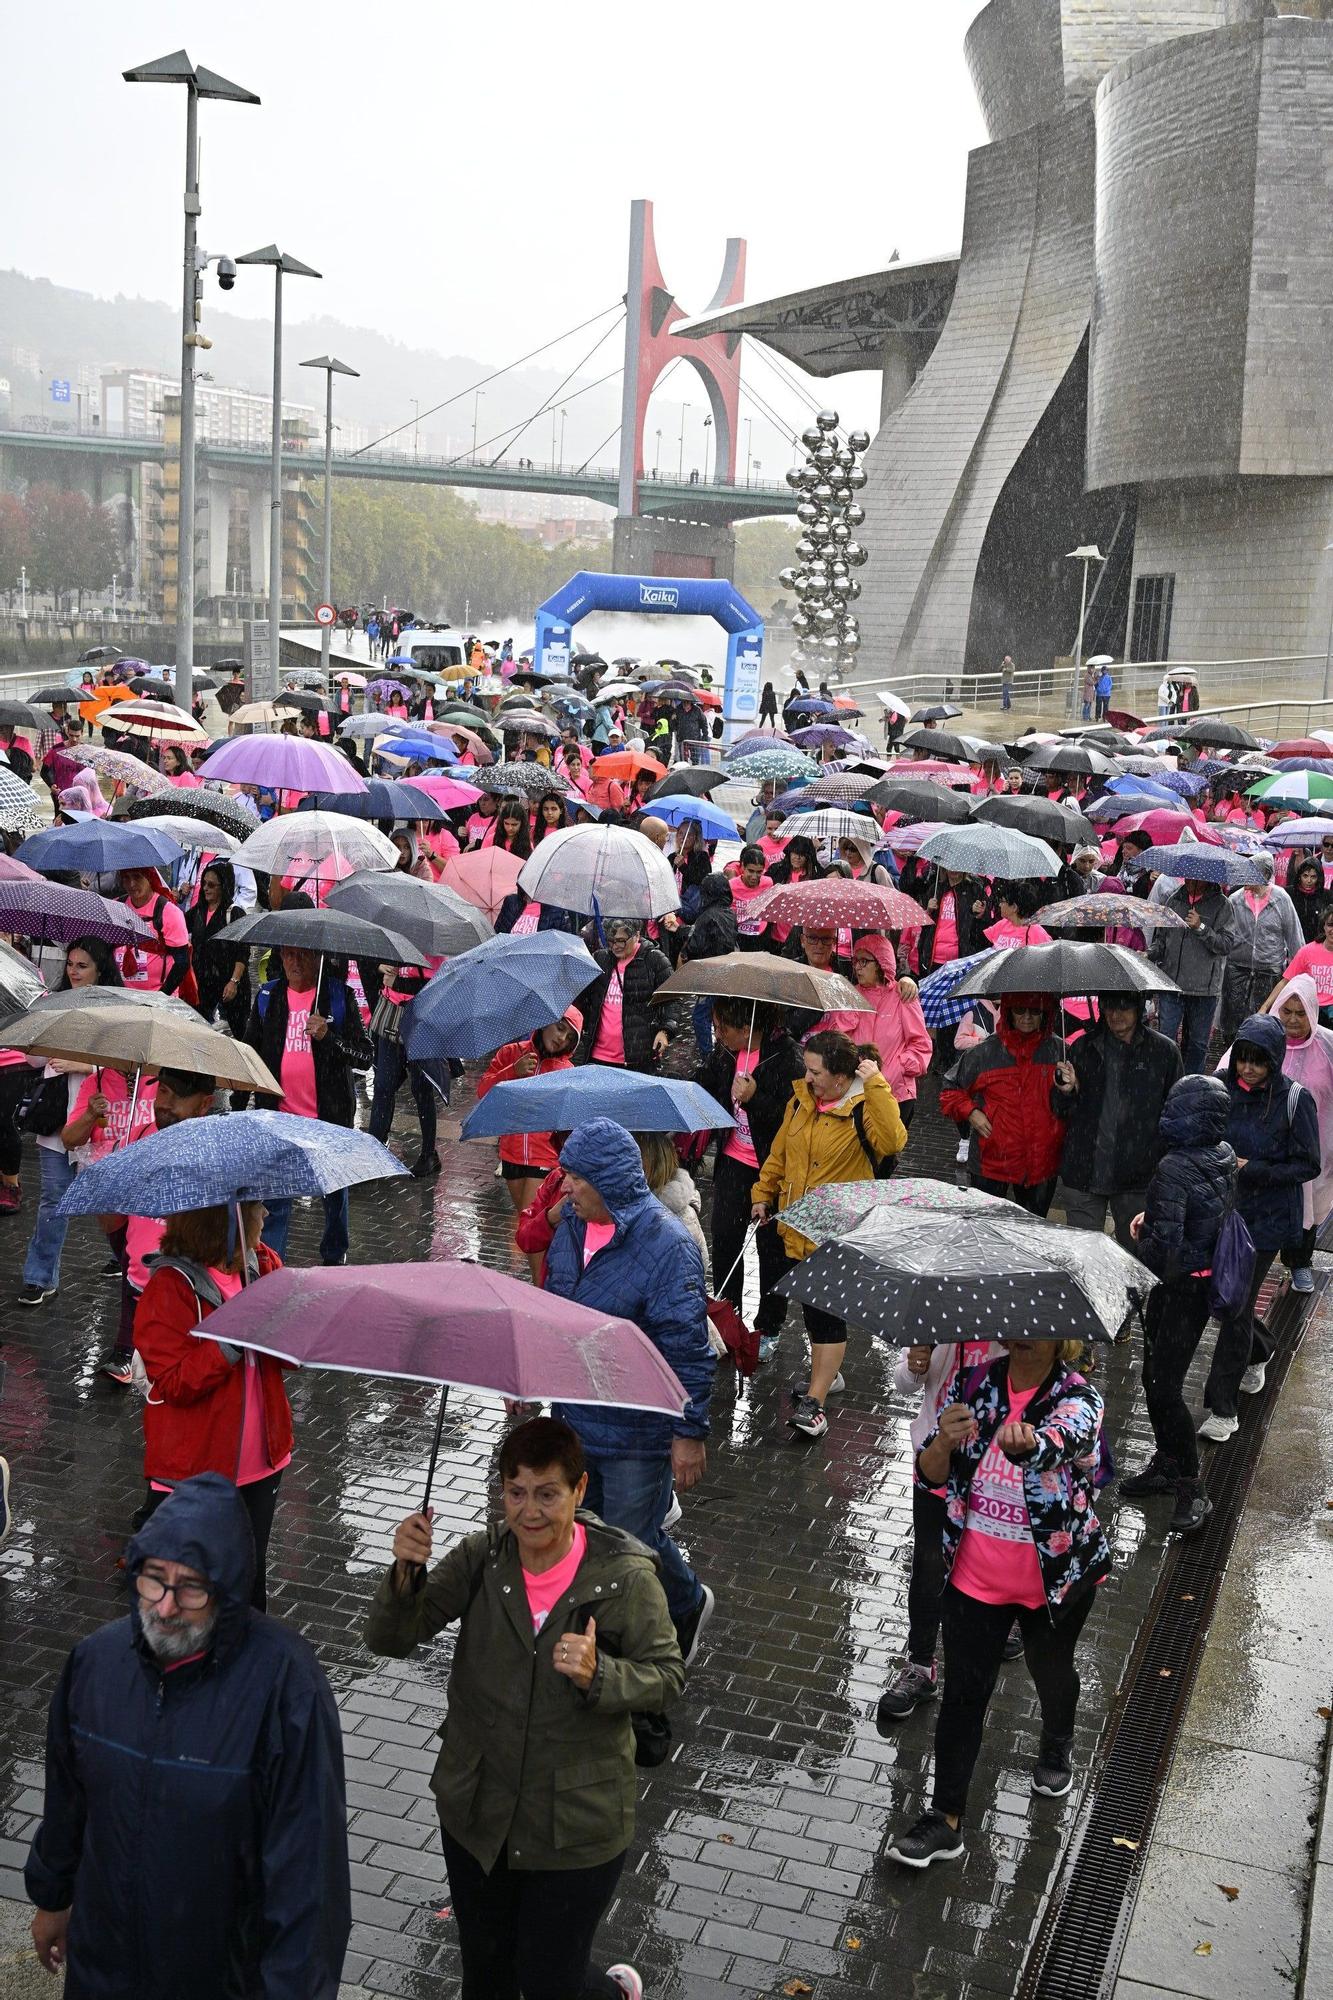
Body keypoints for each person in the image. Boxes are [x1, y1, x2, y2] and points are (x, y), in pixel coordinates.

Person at [365, 1418, 679, 2000]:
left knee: (549, 1980)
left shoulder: (626, 1578)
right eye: (516, 1493)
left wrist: (600, 1674)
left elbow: (667, 1678)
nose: (529, 1512)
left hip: (576, 1823)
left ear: (580, 1489)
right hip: (478, 1809)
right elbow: (391, 1638)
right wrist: (406, 1571)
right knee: (487, 1974)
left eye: (547, 1494)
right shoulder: (483, 1557)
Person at [25, 1473, 349, 1995]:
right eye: (154, 1578)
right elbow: (67, 1798)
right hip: (102, 1970)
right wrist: (52, 1896)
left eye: (191, 1587)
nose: (166, 1606)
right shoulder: (95, 1662)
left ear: (227, 1591)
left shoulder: (288, 1686)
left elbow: (308, 1877)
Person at [884, 1337, 1110, 1868]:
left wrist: (1030, 1444)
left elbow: (1065, 1441)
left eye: (1042, 1324)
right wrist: (943, 1441)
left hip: (1052, 1580)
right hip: (974, 1575)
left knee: (1051, 1671)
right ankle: (945, 1819)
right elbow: (930, 1475)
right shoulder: (974, 1383)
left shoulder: (1078, 1396)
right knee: (964, 1694)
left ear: (1063, 1337)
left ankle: (1057, 1740)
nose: (1027, 1332)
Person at [545, 1121, 717, 1665]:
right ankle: (632, 1620)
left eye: (575, 1178)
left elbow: (688, 1350)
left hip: (636, 1434)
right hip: (575, 1421)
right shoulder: (570, 1230)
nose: (565, 1187)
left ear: (607, 1180)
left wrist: (689, 1433)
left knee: (630, 1546)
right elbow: (554, 1313)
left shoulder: (668, 1247)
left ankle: (672, 1616)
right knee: (587, 1537)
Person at [751, 1029, 908, 1438]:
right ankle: (828, 1376)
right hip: (796, 1227)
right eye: (807, 1069)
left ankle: (816, 1404)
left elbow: (893, 1140)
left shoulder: (863, 1106)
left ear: (840, 1077)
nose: (808, 1077)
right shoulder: (800, 1101)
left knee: (826, 1316)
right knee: (811, 1309)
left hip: (838, 1234)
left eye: (815, 1071)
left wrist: (877, 1083)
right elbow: (780, 1154)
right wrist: (763, 1193)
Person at [132, 1201, 291, 1605]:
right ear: (225, 1222)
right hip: (196, 1468)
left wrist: (292, 1324)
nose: (264, 1215)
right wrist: (230, 1340)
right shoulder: (170, 1287)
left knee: (249, 1582)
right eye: (255, 1207)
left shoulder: (263, 1264)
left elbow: (290, 1356)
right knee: (193, 1591)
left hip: (263, 1461)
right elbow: (173, 1382)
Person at [1119, 1075, 1237, 1532]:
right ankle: (1167, 1463)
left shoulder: (1173, 1166)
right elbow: (1204, 1215)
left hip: (1177, 1289)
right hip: (1201, 1286)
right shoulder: (1222, 1153)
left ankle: (1192, 1486)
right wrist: (1156, 1217)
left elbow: (1164, 1250)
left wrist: (1143, 1238)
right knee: (1155, 1380)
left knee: (1163, 1386)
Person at [1199, 1013, 1320, 1441]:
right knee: (1231, 1301)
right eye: (1243, 1059)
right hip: (1223, 1212)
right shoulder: (1219, 1087)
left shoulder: (1295, 1100)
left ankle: (1222, 1408)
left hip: (1266, 1221)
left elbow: (1308, 1164)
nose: (1248, 1069)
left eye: (1258, 1061)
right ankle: (1262, 1347)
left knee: (1234, 1306)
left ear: (1274, 1060)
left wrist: (1253, 1169)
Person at [876, 1335, 1001, 1723]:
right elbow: (904, 1382)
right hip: (934, 1460)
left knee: (990, 1558)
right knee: (929, 1562)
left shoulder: (1011, 1329)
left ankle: (1004, 1625)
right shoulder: (934, 1322)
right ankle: (920, 1665)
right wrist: (916, 1366)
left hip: (992, 1467)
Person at [241, 943, 372, 1265]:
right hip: (280, 1120)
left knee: (334, 1193)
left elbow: (365, 1056)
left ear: (318, 957)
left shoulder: (338, 996)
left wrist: (329, 1037)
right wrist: (239, 1102)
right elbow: (249, 1053)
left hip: (328, 1119)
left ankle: (334, 1254)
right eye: (288, 954)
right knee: (276, 1200)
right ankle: (273, 1265)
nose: (295, 961)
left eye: (303, 954)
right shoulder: (268, 996)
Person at [17, 937, 122, 1309]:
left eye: (82, 965)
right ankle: (40, 1277)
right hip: (56, 1121)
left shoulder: (115, 1009)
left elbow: (125, 1063)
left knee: (108, 1200)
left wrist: (83, 1064)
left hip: (98, 1121)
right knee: (53, 1200)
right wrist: (35, 1035)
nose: (74, 972)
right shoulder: (55, 1003)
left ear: (100, 969)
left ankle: (126, 1258)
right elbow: (33, 1061)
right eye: (70, 964)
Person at [98, 1066, 218, 1387]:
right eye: (162, 1091)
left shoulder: (214, 1153)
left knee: (170, 1393)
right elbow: (116, 1222)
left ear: (205, 1103)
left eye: (179, 1096)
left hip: (187, 1302)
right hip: (138, 1285)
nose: (165, 1103)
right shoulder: (136, 1138)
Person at [700, 998, 803, 1361]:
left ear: (747, 1028)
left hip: (770, 1168)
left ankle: (769, 1326)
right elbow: (706, 1086)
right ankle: (729, 1321)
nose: (718, 1034)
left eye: (724, 1028)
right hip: (733, 1160)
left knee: (771, 1250)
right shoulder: (726, 1053)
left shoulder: (787, 1059)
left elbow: (792, 1122)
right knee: (725, 1240)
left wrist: (755, 1098)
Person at [1052, 993, 1182, 1249]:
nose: (1115, 1014)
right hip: (1084, 1171)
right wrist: (1065, 1091)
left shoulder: (1164, 1052)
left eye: (1123, 1007)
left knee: (1133, 1256)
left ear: (1138, 1008)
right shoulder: (1083, 1048)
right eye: (1109, 1006)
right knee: (1082, 1255)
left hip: (1137, 1178)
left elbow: (1175, 1113)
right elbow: (1060, 1110)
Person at [940, 995, 1065, 1213]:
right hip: (992, 1162)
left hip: (1040, 1163)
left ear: (1045, 1013)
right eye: (1019, 1010)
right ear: (1009, 1012)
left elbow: (1071, 1105)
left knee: (1032, 1229)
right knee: (987, 1227)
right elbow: (950, 1089)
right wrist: (971, 1112)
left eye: (1035, 1011)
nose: (1027, 1017)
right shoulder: (986, 1052)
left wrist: (1072, 1088)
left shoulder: (1059, 1051)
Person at [476, 1008, 583, 1225]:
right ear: (546, 1023)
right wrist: (512, 1072)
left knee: (529, 1224)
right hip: (511, 1154)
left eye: (570, 1037)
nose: (562, 1038)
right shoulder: (510, 1053)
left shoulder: (568, 1072)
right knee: (527, 1223)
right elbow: (483, 1092)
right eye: (560, 1028)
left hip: (545, 1158)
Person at [814, 933, 932, 1123]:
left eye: (864, 961)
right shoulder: (850, 995)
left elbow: (921, 1045)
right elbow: (835, 1044)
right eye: (855, 961)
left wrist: (897, 1069)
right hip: (856, 1093)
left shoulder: (902, 996)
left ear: (881, 963)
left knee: (889, 1142)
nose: (857, 967)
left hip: (896, 1094)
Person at [1264, 975, 1333, 1290]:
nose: (1292, 1020)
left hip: (1314, 1141)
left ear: (1313, 1012)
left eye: (1301, 1013)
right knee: (1263, 1203)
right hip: (1266, 1141)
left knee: (1308, 1203)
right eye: (1287, 1011)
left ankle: (1299, 1262)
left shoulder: (1328, 1045)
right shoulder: (1262, 1039)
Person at [1148, 865, 1237, 1072]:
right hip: (1172, 985)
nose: (1190, 881)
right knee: (1166, 1039)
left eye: (1196, 878)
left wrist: (1201, 928)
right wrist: (1149, 953)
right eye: (1187, 876)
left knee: (1197, 1044)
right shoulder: (1174, 900)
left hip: (1204, 990)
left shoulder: (1222, 905)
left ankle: (1192, 1083)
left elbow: (1225, 945)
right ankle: (1167, 1080)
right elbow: (1162, 940)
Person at [576, 919, 677, 1071]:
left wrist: (665, 1030)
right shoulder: (600, 959)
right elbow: (584, 998)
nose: (615, 946)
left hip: (637, 1057)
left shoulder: (654, 960)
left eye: (621, 941)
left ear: (637, 935)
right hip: (598, 1057)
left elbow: (671, 999)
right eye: (611, 941)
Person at [1223, 851, 1302, 1038]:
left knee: (1262, 1021)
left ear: (1264, 875)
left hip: (1268, 971)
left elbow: (1294, 937)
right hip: (1237, 969)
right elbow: (1225, 936)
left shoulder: (1281, 899)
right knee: (1233, 1021)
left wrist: (1299, 973)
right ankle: (1233, 1050)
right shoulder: (1235, 899)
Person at [678, 873, 738, 1054]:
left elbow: (694, 946)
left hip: (711, 975)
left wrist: (683, 936)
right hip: (728, 973)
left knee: (700, 1017)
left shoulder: (707, 916)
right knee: (720, 1016)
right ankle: (723, 1050)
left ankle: (708, 1055)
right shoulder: (729, 914)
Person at [188, 859, 250, 1031]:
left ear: (223, 887)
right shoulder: (198, 911)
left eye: (211, 885)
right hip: (203, 987)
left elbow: (242, 953)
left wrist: (233, 982)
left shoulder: (235, 913)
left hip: (229, 989)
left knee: (236, 1034)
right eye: (204, 883)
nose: (205, 888)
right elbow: (179, 927)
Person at [118, 865, 193, 996]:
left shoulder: (169, 912)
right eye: (126, 878)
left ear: (149, 878)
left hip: (159, 997)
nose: (132, 884)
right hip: (122, 996)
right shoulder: (117, 906)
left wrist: (161, 996)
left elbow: (182, 962)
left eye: (137, 877)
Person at [1266, 902, 1333, 1026]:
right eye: (1330, 925)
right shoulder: (1307, 951)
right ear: (1323, 926)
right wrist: (1264, 1008)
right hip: (1309, 1012)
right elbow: (1285, 981)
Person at [1288, 857, 1329, 942]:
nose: (1309, 881)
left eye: (1313, 877)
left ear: (1318, 878)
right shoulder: (1288, 894)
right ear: (1299, 876)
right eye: (1305, 876)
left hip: (1317, 943)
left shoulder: (1327, 896)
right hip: (1293, 942)